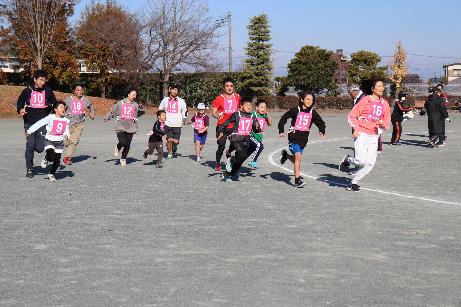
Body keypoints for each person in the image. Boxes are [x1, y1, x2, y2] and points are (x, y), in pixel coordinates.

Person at [339, 79, 391, 192]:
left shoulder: (385, 104)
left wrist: (383, 124)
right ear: (373, 88)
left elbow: (387, 123)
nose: (382, 88)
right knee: (361, 160)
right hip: (362, 134)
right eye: (379, 86)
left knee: (370, 163)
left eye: (383, 86)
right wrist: (356, 129)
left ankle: (354, 182)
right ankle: (348, 159)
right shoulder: (365, 100)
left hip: (374, 136)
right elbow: (352, 116)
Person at [278, 91, 326, 188]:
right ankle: (297, 180)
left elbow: (320, 122)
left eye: (312, 100)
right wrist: (281, 129)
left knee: (297, 158)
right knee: (298, 157)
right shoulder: (295, 110)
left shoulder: (313, 112)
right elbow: (284, 117)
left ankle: (286, 156)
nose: (310, 101)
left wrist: (322, 130)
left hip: (303, 139)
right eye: (308, 99)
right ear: (302, 99)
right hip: (293, 136)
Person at [16, 69, 57, 177]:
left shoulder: (48, 90)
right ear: (35, 79)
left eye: (44, 80)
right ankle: (29, 169)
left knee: (39, 148)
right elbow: (20, 102)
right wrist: (20, 109)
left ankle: (40, 151)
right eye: (40, 80)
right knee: (30, 146)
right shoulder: (27, 91)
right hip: (29, 123)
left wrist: (51, 106)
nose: (42, 82)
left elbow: (54, 102)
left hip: (42, 124)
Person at [217, 98, 261, 182]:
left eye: (250, 106)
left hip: (246, 140)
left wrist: (257, 128)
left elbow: (256, 130)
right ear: (241, 107)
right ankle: (231, 160)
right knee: (242, 156)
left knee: (240, 160)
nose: (249, 107)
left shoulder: (253, 116)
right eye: (247, 106)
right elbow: (226, 122)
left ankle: (228, 175)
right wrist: (221, 131)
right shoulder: (237, 114)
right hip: (236, 138)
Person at [25, 101, 70, 182]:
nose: (63, 109)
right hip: (50, 140)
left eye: (64, 108)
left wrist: (66, 135)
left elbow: (67, 130)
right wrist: (30, 131)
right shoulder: (50, 118)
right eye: (61, 107)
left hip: (59, 142)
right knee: (51, 155)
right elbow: (39, 123)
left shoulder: (66, 120)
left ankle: (51, 173)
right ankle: (46, 158)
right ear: (55, 109)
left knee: (57, 160)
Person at [103, 88, 140, 166]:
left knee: (128, 144)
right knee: (123, 142)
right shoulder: (120, 103)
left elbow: (138, 114)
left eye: (135, 95)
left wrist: (141, 108)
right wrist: (107, 117)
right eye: (133, 94)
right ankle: (118, 146)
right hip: (120, 126)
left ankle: (123, 158)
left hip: (131, 127)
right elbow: (113, 111)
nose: (134, 96)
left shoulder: (135, 105)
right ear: (128, 94)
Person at [211, 79, 241, 172]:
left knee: (236, 144)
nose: (229, 88)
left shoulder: (238, 97)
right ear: (224, 87)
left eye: (231, 86)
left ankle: (229, 153)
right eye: (227, 86)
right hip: (222, 126)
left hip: (234, 126)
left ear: (234, 87)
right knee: (221, 145)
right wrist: (217, 116)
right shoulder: (219, 98)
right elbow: (214, 112)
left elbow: (241, 108)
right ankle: (217, 163)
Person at [62, 85, 95, 164]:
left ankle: (67, 158)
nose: (80, 92)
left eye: (81, 90)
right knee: (66, 141)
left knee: (74, 141)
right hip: (68, 123)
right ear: (74, 91)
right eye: (78, 90)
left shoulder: (85, 100)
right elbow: (61, 107)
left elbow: (91, 106)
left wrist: (92, 113)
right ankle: (65, 143)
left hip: (80, 123)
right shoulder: (68, 100)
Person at [158, 84, 187, 159]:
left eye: (176, 90)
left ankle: (174, 147)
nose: (175, 91)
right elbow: (160, 109)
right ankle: (169, 153)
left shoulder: (181, 101)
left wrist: (184, 118)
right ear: (170, 90)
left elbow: (185, 111)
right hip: (167, 123)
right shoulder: (165, 100)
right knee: (169, 139)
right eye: (173, 89)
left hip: (177, 124)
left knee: (176, 141)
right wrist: (161, 119)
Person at [248, 99, 272, 169]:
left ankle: (235, 161)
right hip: (252, 135)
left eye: (265, 107)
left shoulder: (265, 116)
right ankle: (253, 161)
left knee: (248, 151)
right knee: (260, 146)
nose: (263, 109)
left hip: (259, 137)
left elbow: (270, 124)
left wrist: (268, 116)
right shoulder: (253, 114)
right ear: (256, 108)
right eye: (261, 107)